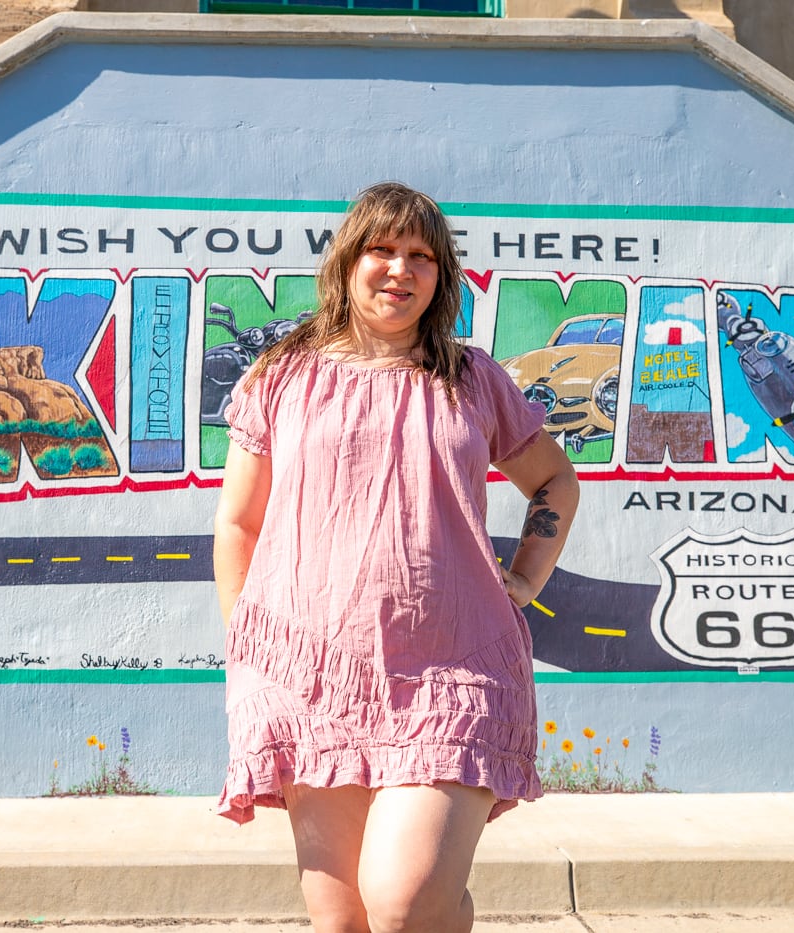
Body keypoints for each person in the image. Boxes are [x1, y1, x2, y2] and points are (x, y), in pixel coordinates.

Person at [212, 182, 578, 933]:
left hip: (454, 672)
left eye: (421, 256)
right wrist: (246, 654)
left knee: (405, 901)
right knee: (343, 919)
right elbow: (239, 523)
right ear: (348, 260)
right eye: (382, 249)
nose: (399, 269)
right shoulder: (282, 376)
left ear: (441, 276)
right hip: (308, 674)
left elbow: (554, 480)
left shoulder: (472, 379)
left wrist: (523, 581)